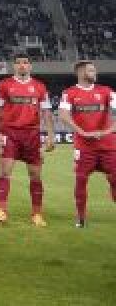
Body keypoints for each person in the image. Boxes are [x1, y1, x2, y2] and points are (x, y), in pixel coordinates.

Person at [0, 53, 54, 226]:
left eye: (25, 63)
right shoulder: (4, 85)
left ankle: (37, 214)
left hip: (32, 135)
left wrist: (50, 135)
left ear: (30, 66)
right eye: (18, 63)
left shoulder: (40, 87)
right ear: (14, 66)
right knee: (5, 172)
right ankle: (2, 210)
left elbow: (47, 111)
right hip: (9, 133)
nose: (22, 66)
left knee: (35, 175)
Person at [58, 60, 116, 228]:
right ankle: (81, 217)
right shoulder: (69, 93)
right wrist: (81, 131)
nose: (95, 72)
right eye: (91, 70)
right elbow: (63, 114)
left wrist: (107, 131)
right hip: (84, 146)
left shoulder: (106, 91)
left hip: (108, 145)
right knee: (81, 180)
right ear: (81, 72)